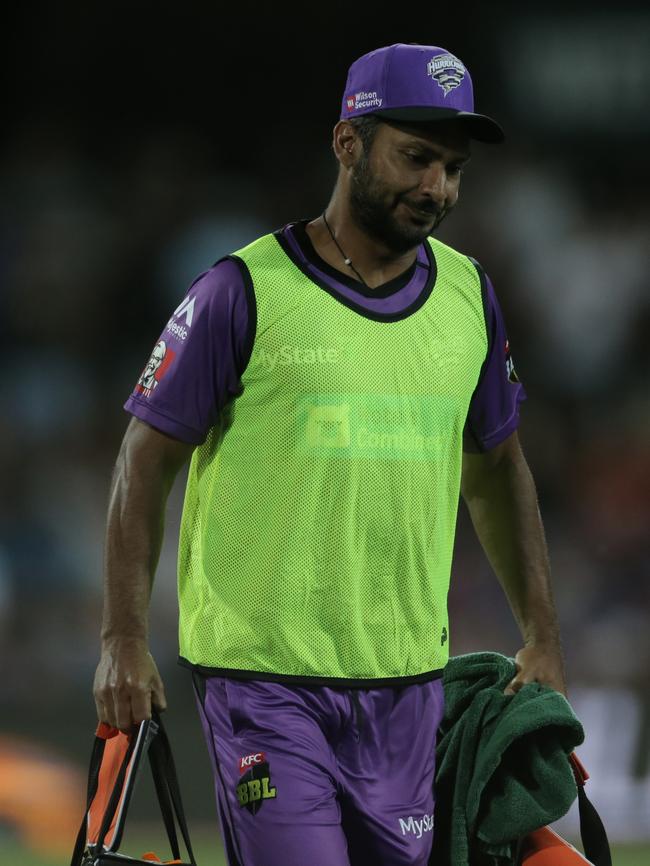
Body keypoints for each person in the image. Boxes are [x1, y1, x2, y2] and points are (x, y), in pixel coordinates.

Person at [93, 43, 567, 866]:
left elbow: (497, 470)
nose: (438, 188)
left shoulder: (468, 297)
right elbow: (144, 461)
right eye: (416, 157)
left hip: (407, 686)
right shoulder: (242, 291)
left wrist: (543, 634)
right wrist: (123, 638)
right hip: (263, 684)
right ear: (347, 144)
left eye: (453, 169)